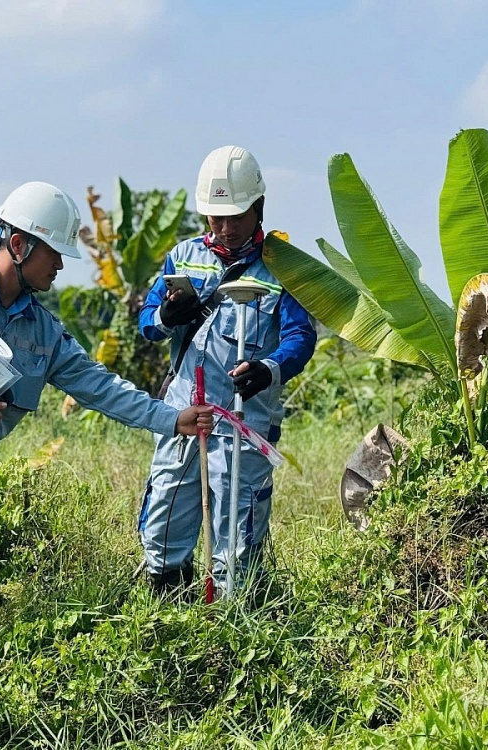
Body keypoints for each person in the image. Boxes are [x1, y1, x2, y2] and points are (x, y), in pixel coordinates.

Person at [0, 181, 214, 644]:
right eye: (54, 253)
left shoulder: (45, 332)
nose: (61, 265)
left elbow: (101, 387)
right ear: (19, 244)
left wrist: (172, 418)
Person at [137, 146, 317, 596]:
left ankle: (235, 617)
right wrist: (165, 319)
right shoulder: (182, 257)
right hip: (182, 416)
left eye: (234, 216)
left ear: (258, 208)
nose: (224, 226)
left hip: (244, 421)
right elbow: (147, 320)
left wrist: (269, 368)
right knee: (165, 516)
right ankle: (166, 607)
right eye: (214, 216)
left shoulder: (284, 266)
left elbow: (300, 337)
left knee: (237, 533)